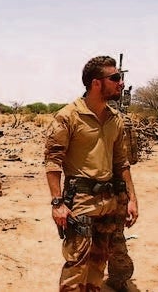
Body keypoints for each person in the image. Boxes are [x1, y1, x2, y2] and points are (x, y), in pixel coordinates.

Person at [45, 55, 139, 291]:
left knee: (99, 262)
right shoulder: (68, 116)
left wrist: (131, 200)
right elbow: (53, 162)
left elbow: (122, 164)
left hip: (109, 201)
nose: (121, 83)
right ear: (96, 83)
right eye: (115, 78)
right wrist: (57, 202)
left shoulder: (115, 119)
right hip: (81, 200)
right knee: (77, 263)